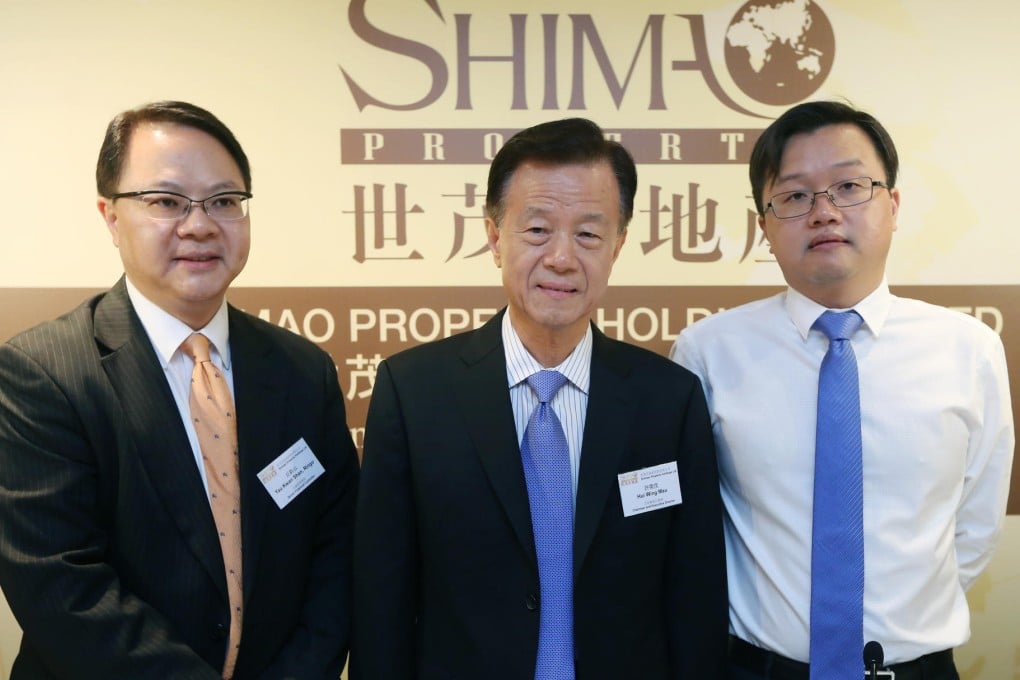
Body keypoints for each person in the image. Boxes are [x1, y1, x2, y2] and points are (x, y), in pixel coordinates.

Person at [351, 117, 727, 679]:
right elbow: (382, 601)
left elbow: (693, 599)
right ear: (495, 235)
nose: (561, 258)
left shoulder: (668, 400)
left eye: (589, 234)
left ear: (618, 246)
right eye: (537, 230)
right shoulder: (414, 392)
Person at [0, 101, 360, 679]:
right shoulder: (40, 373)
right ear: (111, 217)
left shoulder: (301, 370)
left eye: (224, 201)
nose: (200, 225)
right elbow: (62, 589)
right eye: (166, 201)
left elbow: (335, 557)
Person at [671, 100, 1014, 679]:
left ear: (894, 205)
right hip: (757, 668)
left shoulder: (968, 348)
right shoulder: (708, 352)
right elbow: (692, 529)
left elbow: (975, 525)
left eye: (850, 186)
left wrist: (902, 618)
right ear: (764, 225)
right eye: (795, 196)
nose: (824, 212)